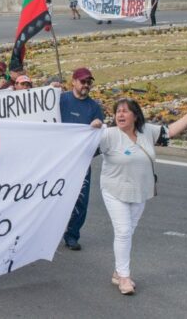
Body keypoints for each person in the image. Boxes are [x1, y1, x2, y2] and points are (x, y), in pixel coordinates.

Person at [93, 97, 187, 295]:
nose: (120, 114)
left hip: (140, 191)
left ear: (135, 116)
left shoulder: (147, 131)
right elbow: (83, 145)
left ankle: (118, 271)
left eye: (125, 111)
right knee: (124, 231)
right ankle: (124, 277)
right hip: (114, 190)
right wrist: (91, 129)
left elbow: (169, 131)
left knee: (128, 231)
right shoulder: (108, 135)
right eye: (118, 111)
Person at [60, 67, 104, 251]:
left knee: (80, 200)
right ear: (73, 82)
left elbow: (99, 141)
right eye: (83, 81)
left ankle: (72, 235)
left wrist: (97, 127)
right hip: (57, 159)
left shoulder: (94, 108)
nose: (86, 85)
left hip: (81, 161)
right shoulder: (60, 99)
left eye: (89, 82)